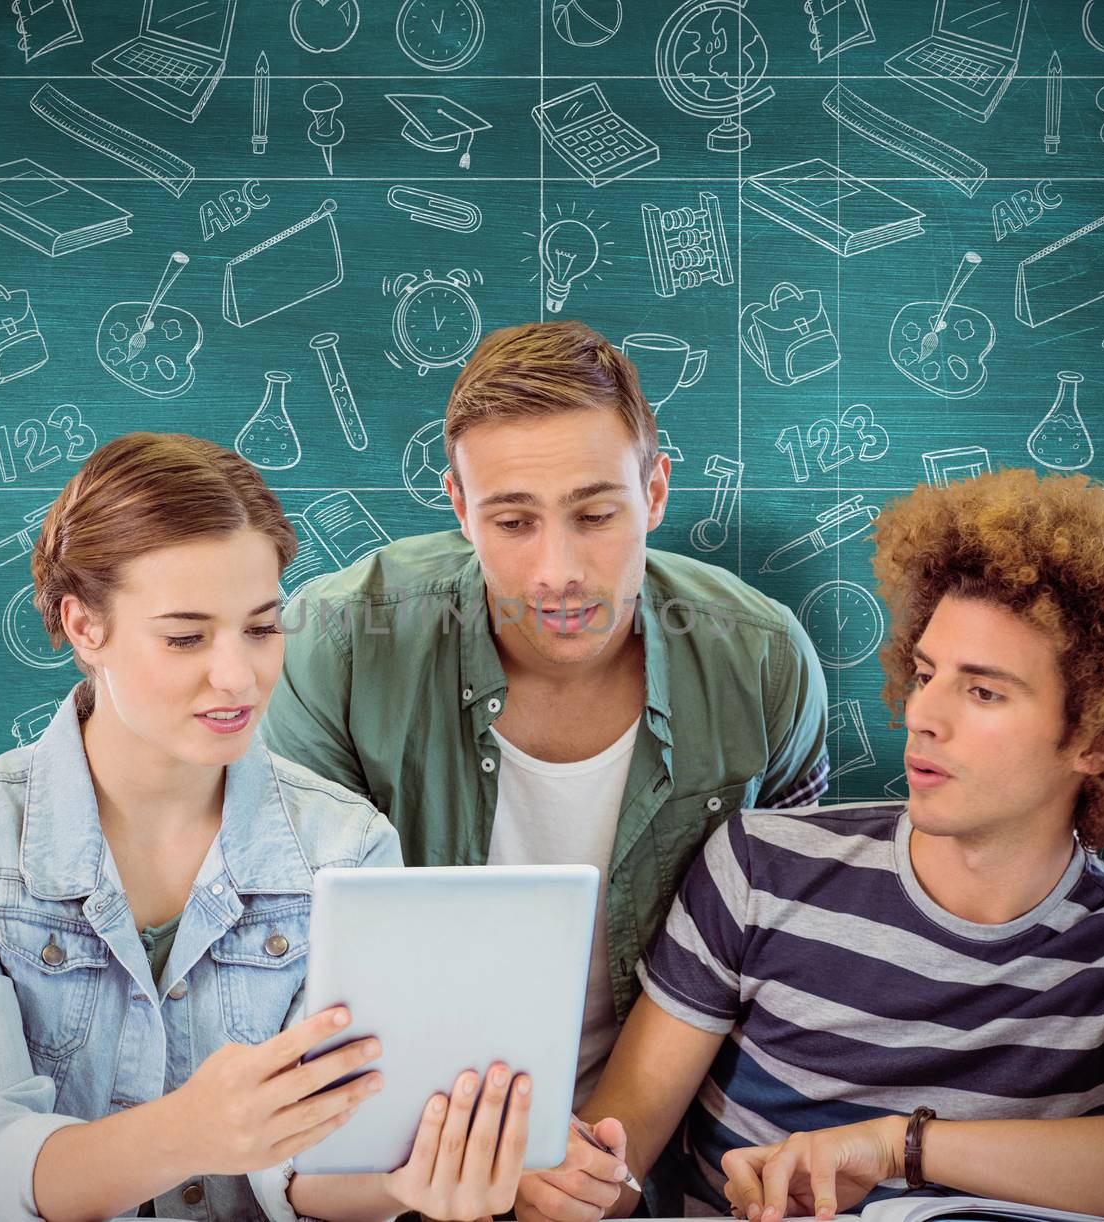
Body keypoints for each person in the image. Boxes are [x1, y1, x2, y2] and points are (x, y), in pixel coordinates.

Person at [518, 467, 1104, 1222]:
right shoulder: (760, 866)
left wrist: (897, 1148)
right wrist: (577, 1184)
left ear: (1098, 740)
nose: (921, 716)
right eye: (925, 672)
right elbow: (614, 1163)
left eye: (982, 692)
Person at [0, 434, 531, 1222]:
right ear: (84, 626)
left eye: (261, 627)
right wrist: (185, 1131)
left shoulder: (349, 845)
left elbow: (311, 1166)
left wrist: (402, 1181)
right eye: (186, 636)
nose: (238, 676)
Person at [263, 321, 831, 1114]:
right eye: (513, 522)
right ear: (459, 506)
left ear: (655, 493)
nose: (558, 574)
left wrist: (615, 1159)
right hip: (390, 1142)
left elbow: (789, 956)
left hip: (670, 1153)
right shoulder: (332, 648)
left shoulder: (764, 661)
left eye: (595, 516)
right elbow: (281, 967)